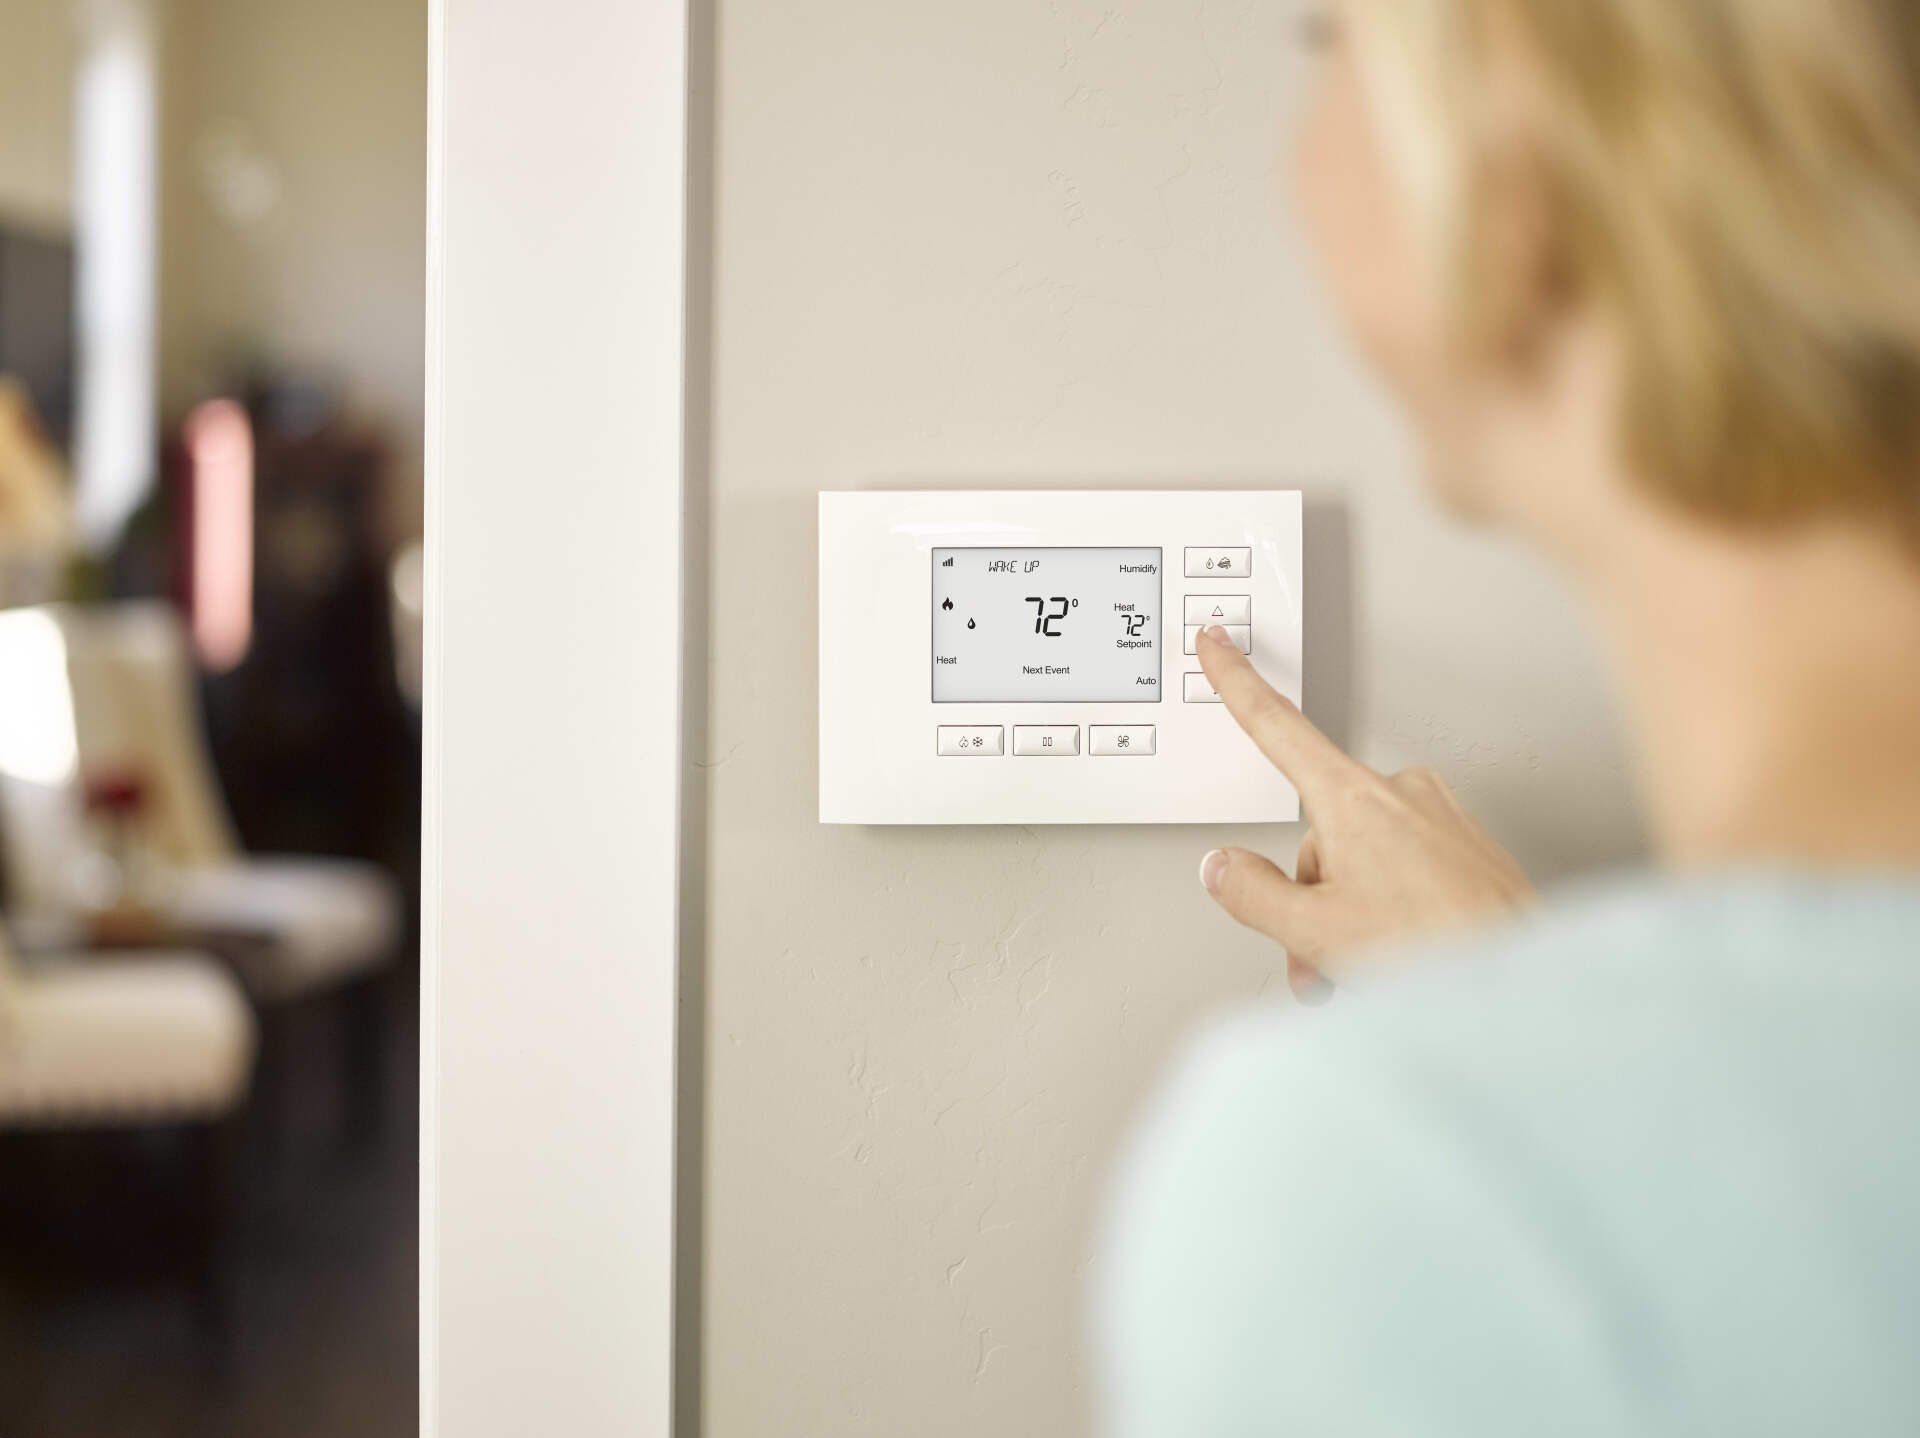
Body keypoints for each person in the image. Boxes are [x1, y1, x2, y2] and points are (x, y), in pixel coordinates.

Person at [1099, 1, 1920, 1433]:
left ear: (1513, 179)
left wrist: (1514, 1090)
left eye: (1328, 38)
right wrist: (1535, 1012)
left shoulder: (1378, 1185)